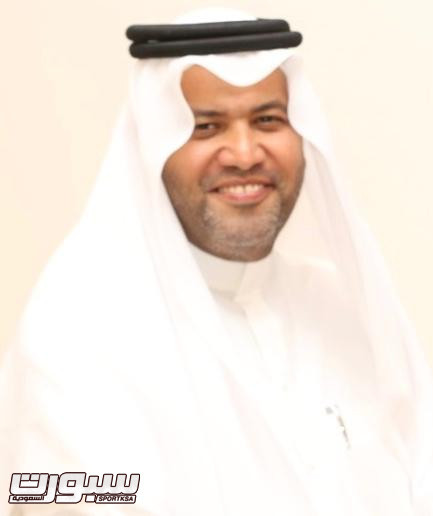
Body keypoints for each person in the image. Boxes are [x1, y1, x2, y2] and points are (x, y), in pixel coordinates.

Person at [1, 6, 432, 516]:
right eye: (205, 127)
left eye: (268, 120)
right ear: (152, 146)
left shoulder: (345, 309)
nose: (245, 154)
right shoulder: (74, 333)